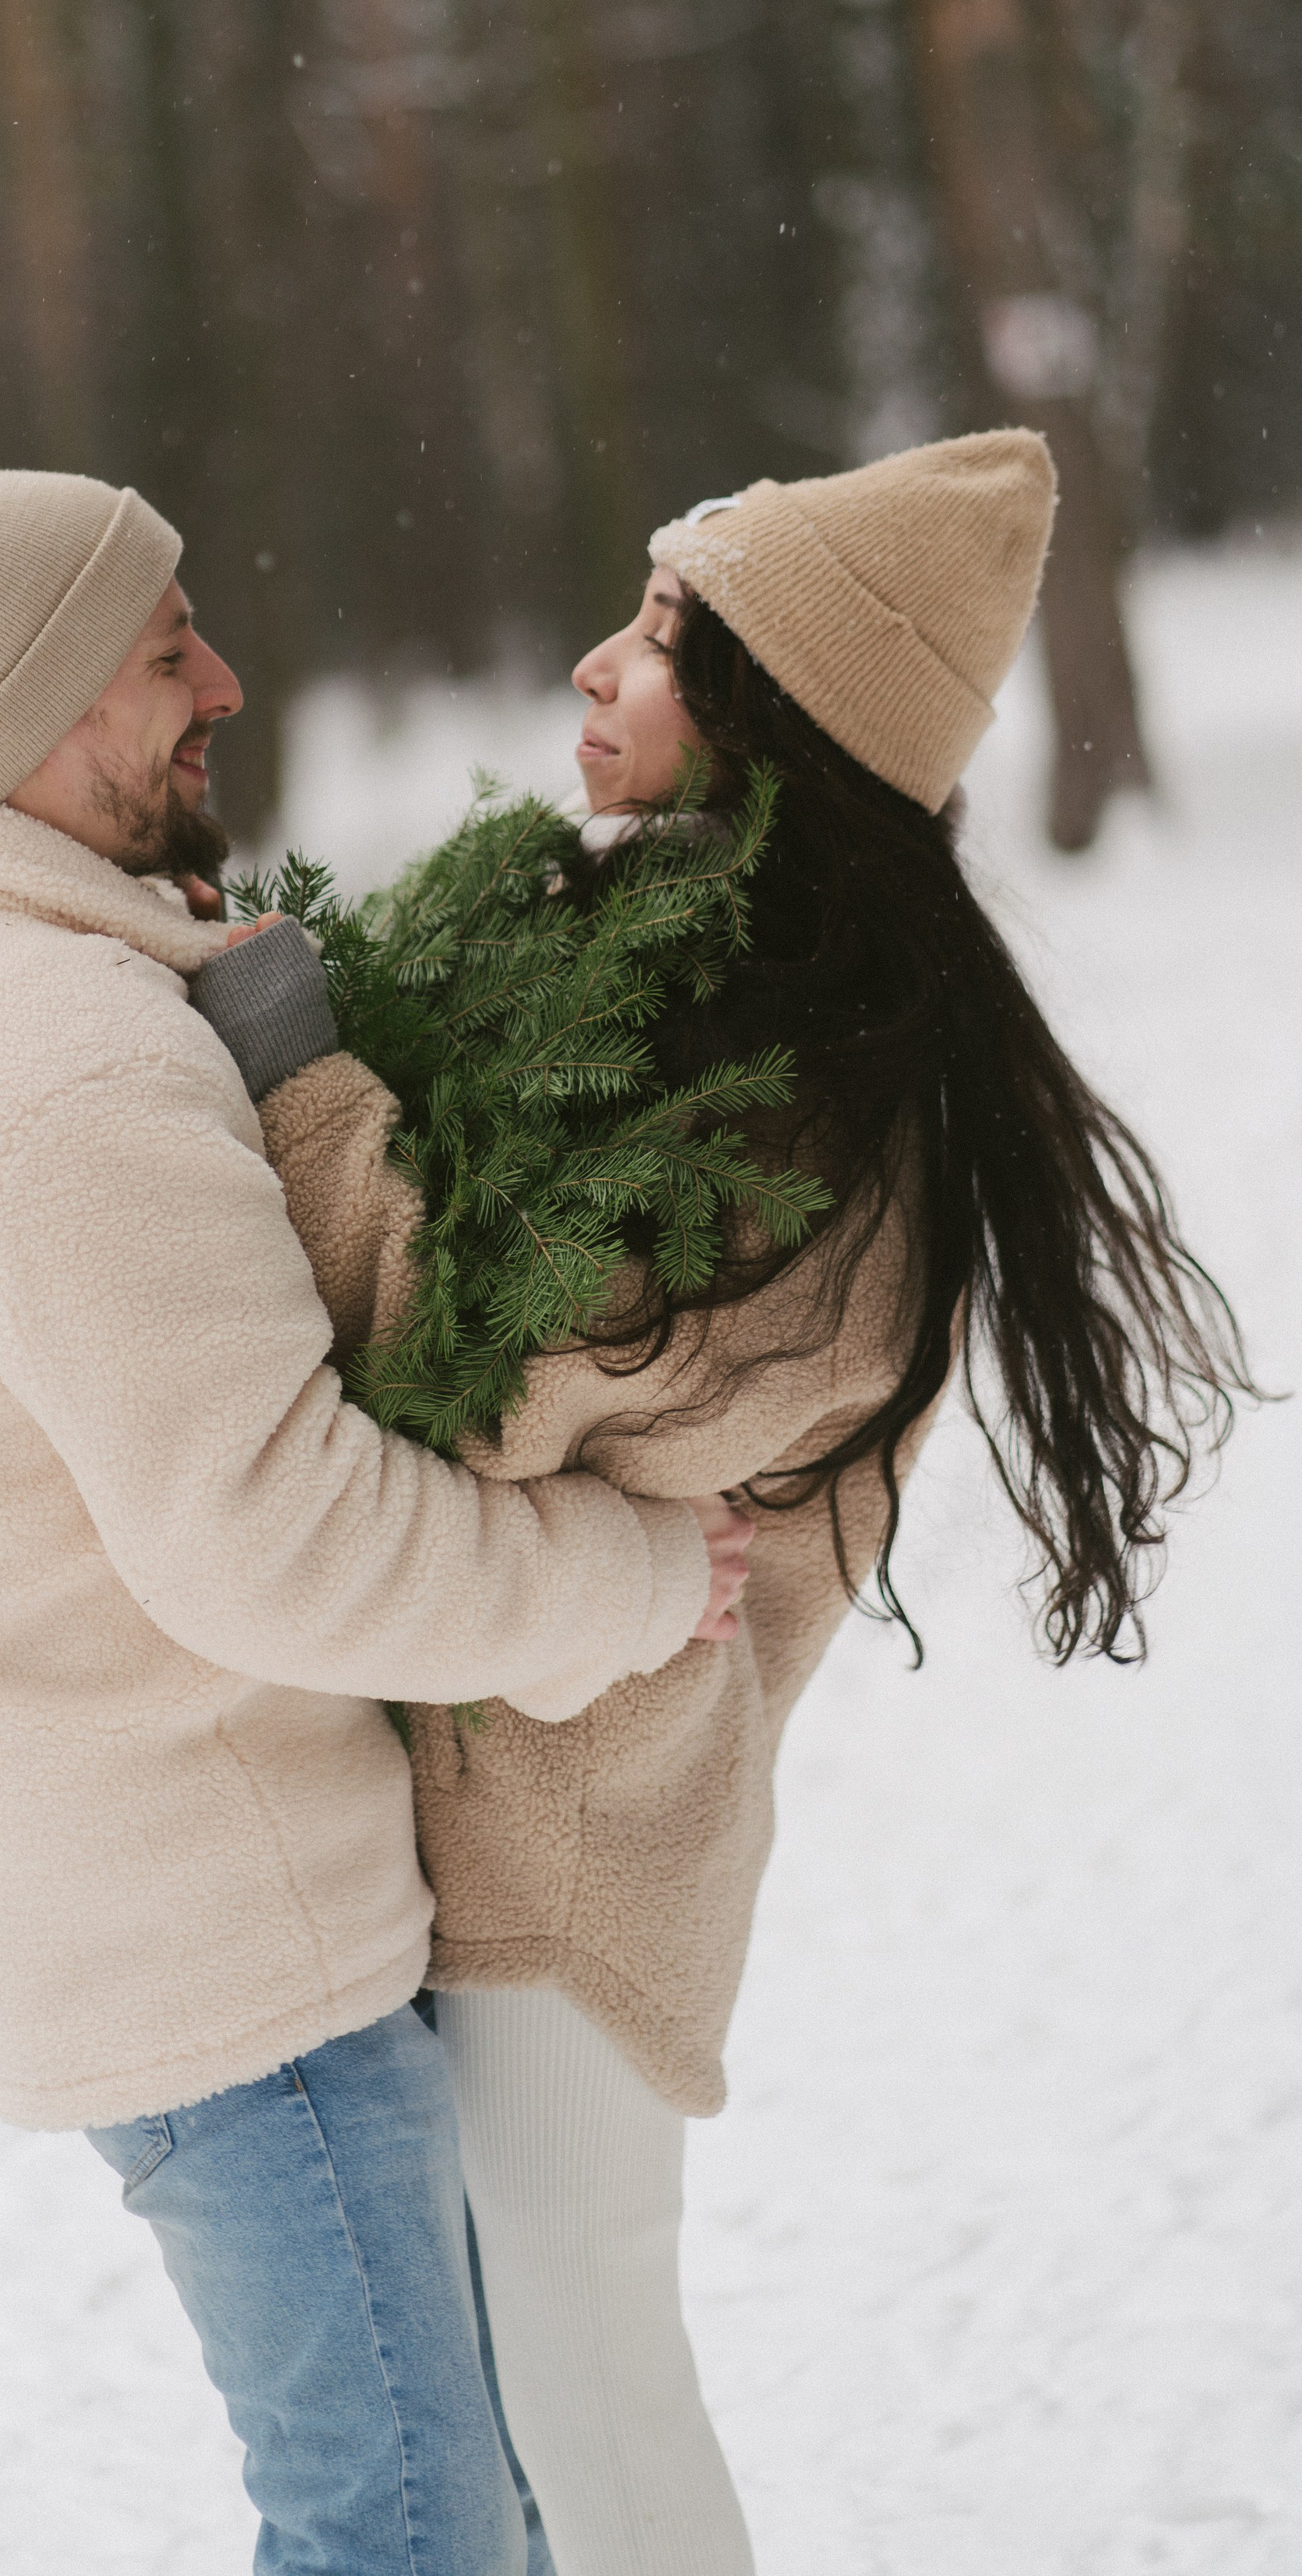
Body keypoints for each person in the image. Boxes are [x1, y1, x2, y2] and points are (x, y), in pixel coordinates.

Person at [208, 431, 1245, 2574]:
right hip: (517, 1808)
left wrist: (310, 1089)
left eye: (667, 640)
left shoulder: (788, 1118)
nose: (597, 667)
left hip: (579, 1868)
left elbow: (470, 1388)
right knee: (517, 2406)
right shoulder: (698, 1004)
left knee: (589, 2416)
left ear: (786, 726)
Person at [0, 466, 747, 2576]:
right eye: (164, 649)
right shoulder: (56, 1072)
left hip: (119, 1903)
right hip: (232, 1963)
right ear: (32, 700)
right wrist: (628, 1584)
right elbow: (277, 1539)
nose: (227, 681)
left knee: (471, 2492)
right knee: (407, 2523)